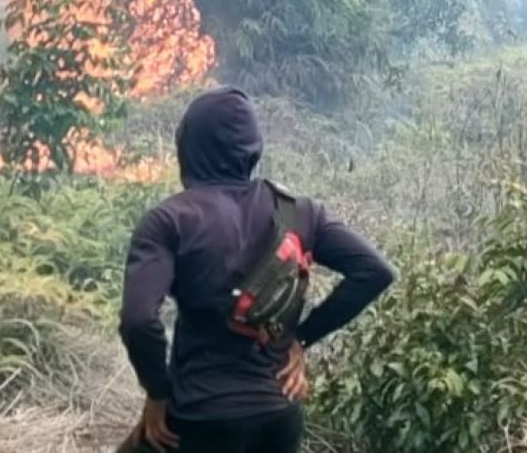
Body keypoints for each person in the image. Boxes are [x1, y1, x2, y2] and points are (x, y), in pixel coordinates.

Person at [117, 87, 395, 453]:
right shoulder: (301, 213)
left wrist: (157, 393)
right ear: (252, 147)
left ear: (189, 146)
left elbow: (138, 321)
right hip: (277, 416)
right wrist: (302, 338)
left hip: (199, 418)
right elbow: (374, 271)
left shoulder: (170, 220)